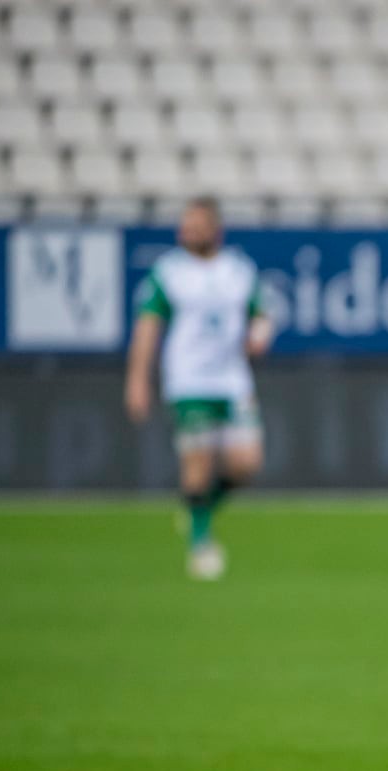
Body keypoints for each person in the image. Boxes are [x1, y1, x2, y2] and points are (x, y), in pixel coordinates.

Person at [124, 198, 272, 580]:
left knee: (246, 464)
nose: (187, 232)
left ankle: (196, 511)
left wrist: (259, 335)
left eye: (195, 226)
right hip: (189, 381)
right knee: (199, 463)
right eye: (185, 226)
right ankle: (201, 544)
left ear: (215, 229)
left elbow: (261, 314)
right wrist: (138, 379)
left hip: (233, 380)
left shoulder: (238, 271)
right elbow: (148, 327)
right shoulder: (169, 272)